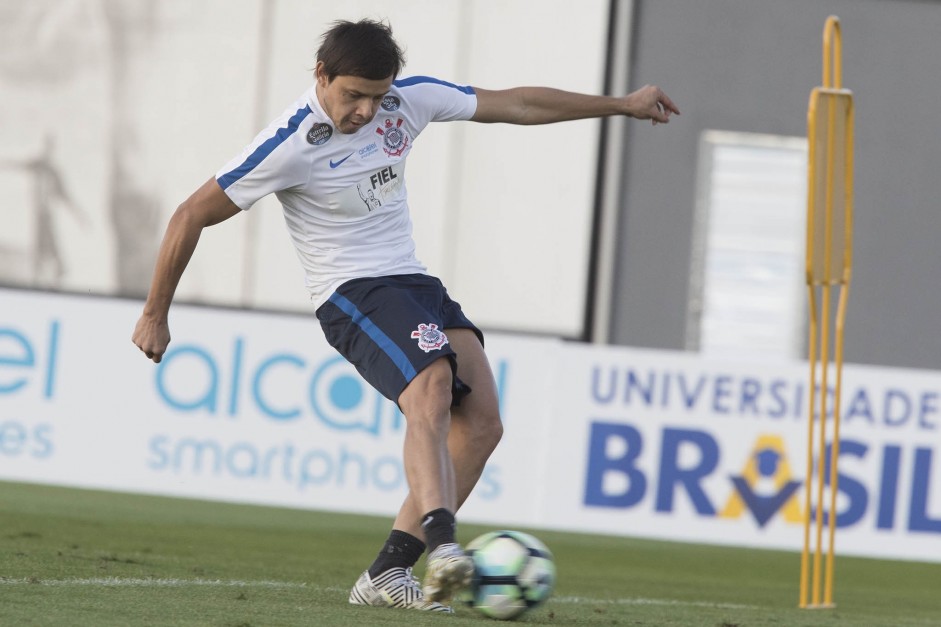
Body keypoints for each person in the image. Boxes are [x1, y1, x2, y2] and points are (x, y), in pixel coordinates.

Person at [131, 18, 679, 613]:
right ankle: (443, 548)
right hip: (351, 293)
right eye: (352, 96)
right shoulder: (290, 143)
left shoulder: (407, 100)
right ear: (321, 76)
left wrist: (621, 104)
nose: (367, 110)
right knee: (433, 387)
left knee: (484, 423)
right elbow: (189, 214)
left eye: (377, 95)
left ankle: (388, 573)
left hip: (412, 282)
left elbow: (515, 103)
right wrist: (156, 313)